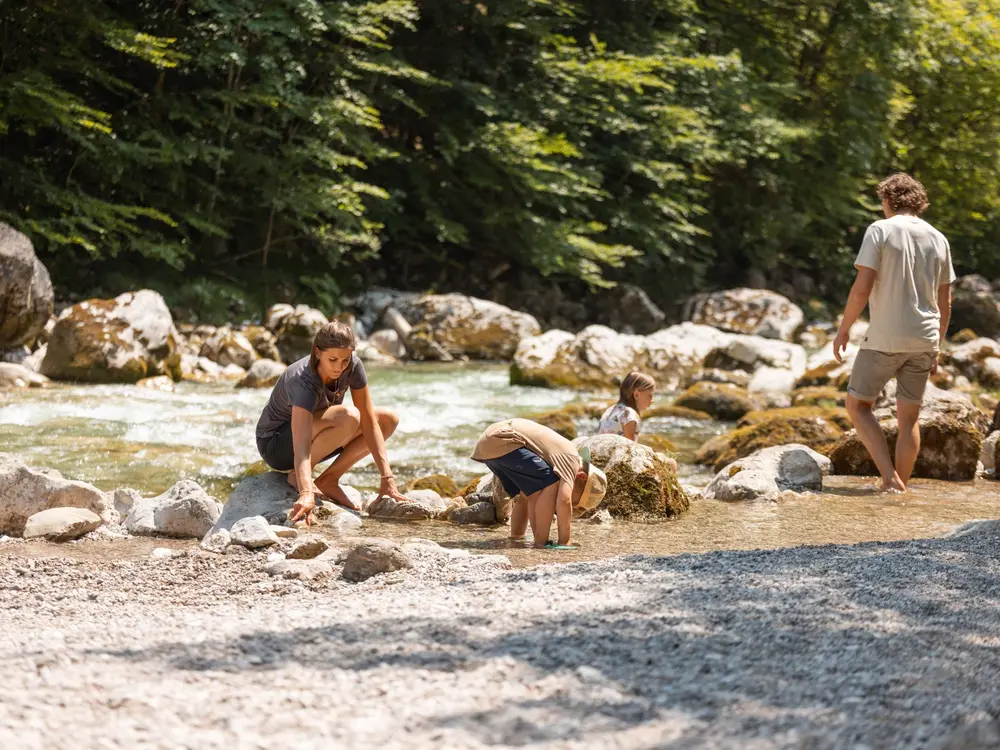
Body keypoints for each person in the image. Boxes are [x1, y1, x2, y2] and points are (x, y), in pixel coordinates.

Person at [833, 173, 955, 492]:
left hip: (885, 337)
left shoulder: (880, 230)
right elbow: (945, 301)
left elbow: (862, 288)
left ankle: (889, 478)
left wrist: (844, 330)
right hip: (925, 338)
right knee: (908, 420)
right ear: (918, 202)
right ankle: (901, 490)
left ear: (888, 200)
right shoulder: (939, 238)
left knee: (858, 406)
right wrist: (936, 347)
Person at [255, 320, 408, 523]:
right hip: (276, 445)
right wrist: (306, 491)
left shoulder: (353, 366)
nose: (339, 367)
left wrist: (387, 477)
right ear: (317, 352)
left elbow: (370, 421)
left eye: (345, 360)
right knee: (348, 416)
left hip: (314, 434)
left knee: (387, 420)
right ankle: (296, 477)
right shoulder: (302, 380)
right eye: (333, 359)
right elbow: (301, 441)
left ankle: (329, 479)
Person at [471, 418, 607, 549]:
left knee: (527, 493)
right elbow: (564, 500)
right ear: (582, 477)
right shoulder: (573, 461)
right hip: (505, 440)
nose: (573, 505)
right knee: (550, 482)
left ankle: (517, 536)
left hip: (488, 444)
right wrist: (565, 541)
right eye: (575, 501)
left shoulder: (560, 455)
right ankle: (541, 542)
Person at [598, 372, 656, 441]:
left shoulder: (610, 410)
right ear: (636, 395)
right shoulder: (629, 415)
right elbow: (629, 445)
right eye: (650, 396)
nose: (652, 400)